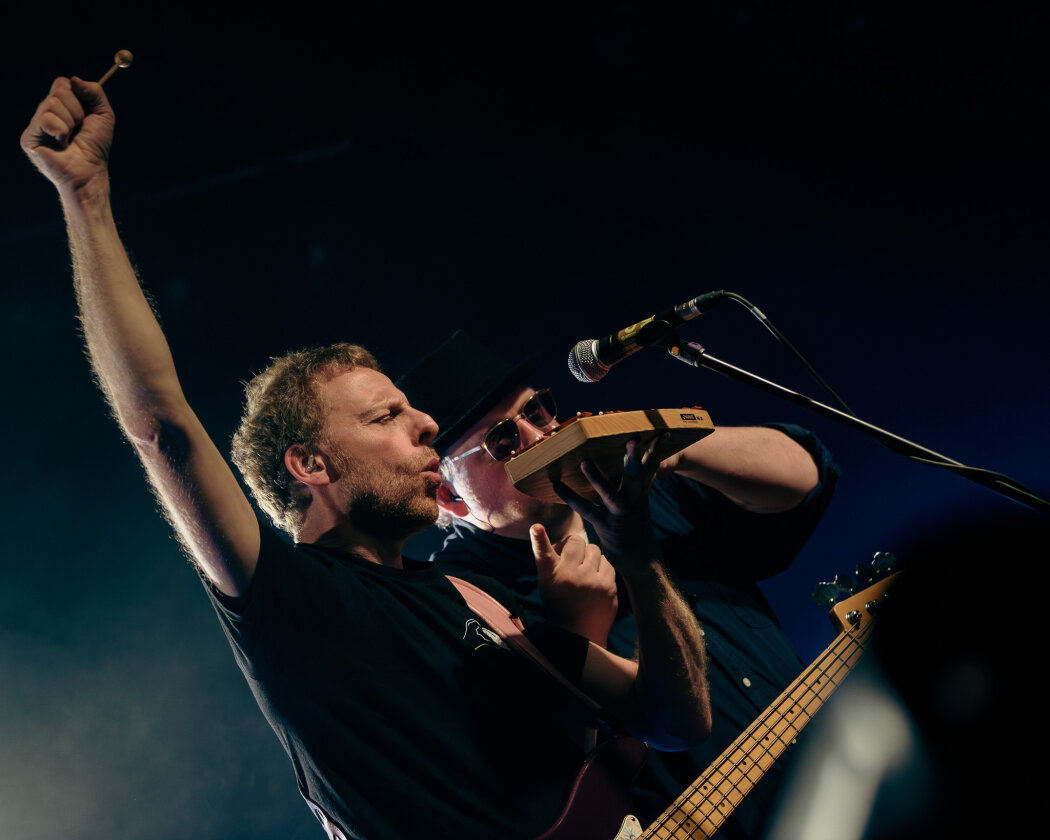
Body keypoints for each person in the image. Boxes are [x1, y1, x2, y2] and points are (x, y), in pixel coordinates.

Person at [20, 76, 713, 840]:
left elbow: (677, 721)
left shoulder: (469, 598)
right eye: (387, 415)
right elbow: (160, 424)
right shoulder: (290, 599)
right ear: (311, 465)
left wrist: (639, 558)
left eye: (414, 411)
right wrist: (84, 197)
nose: (425, 426)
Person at [397, 330, 840, 839]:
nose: (537, 436)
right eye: (501, 440)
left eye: (537, 411)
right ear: (451, 497)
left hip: (832, 781)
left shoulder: (640, 489)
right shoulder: (465, 601)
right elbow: (541, 776)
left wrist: (669, 449)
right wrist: (579, 631)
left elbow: (807, 478)